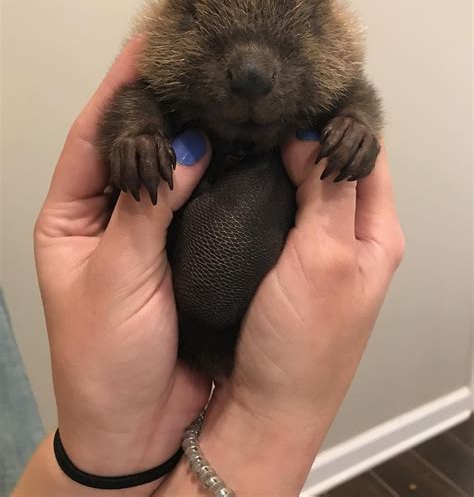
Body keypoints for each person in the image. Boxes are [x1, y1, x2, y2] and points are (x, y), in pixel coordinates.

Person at [13, 36, 404, 497]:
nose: (253, 74)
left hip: (233, 333)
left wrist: (355, 126)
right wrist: (136, 136)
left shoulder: (335, 93)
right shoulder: (153, 96)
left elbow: (359, 99)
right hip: (175, 322)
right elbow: (133, 103)